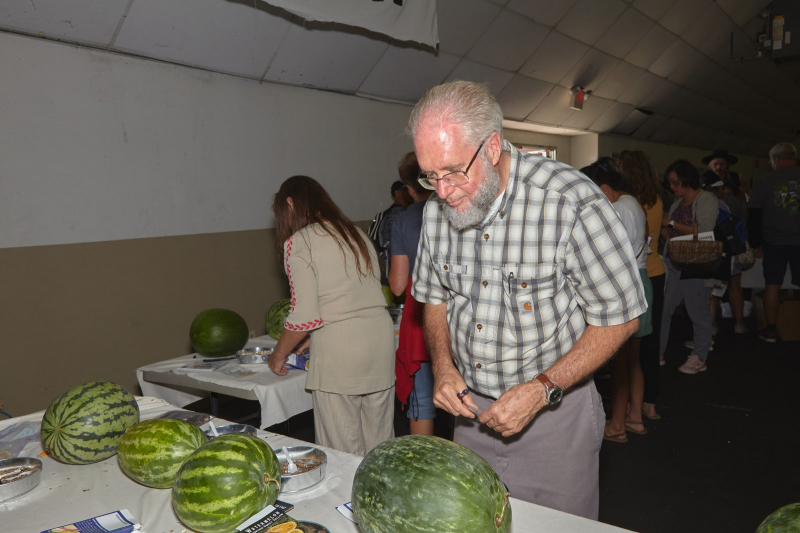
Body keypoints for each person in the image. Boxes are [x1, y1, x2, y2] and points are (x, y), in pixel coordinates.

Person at [408, 80, 645, 519]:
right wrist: (443, 367)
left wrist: (542, 390)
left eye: (455, 171)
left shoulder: (570, 202)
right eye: (430, 175)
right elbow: (434, 297)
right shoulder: (437, 210)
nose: (443, 191)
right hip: (471, 415)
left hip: (554, 419)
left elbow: (621, 317)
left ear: (493, 146)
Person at [268, 176, 395, 456]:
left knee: (342, 449)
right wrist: (311, 340)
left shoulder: (300, 242)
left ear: (290, 203)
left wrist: (277, 356)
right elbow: (355, 299)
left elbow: (305, 315)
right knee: (381, 445)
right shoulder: (356, 233)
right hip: (380, 344)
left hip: (340, 354)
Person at [583, 161, 652, 443]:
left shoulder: (620, 207)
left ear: (605, 189)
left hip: (627, 285)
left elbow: (613, 254)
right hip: (642, 279)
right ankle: (635, 417)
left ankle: (617, 425)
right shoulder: (634, 202)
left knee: (620, 365)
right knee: (633, 361)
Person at [389, 152, 437, 435]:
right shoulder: (458, 209)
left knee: (422, 408)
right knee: (463, 409)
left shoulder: (404, 219)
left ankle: (426, 473)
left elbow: (396, 285)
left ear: (409, 188)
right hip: (460, 320)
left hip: (421, 320)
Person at [618, 150, 666, 420]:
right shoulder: (656, 199)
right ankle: (649, 402)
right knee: (651, 342)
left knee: (632, 350)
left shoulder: (630, 203)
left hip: (638, 275)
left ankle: (629, 405)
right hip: (656, 271)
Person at [660, 161, 718, 374]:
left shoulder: (706, 199)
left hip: (695, 263)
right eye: (670, 184)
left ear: (687, 179)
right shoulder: (679, 203)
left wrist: (669, 224)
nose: (672, 187)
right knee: (665, 308)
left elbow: (703, 230)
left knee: (697, 310)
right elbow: (671, 234)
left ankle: (700, 356)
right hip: (674, 261)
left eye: (675, 182)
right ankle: (658, 351)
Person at [748, 142, 800, 342]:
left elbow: (754, 216)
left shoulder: (764, 182)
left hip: (774, 242)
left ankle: (770, 329)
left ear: (776, 159)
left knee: (773, 285)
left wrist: (756, 243)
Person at [368, 181, 412, 284]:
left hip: (382, 272)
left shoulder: (382, 215)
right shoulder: (401, 215)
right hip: (395, 274)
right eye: (406, 189)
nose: (410, 193)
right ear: (397, 193)